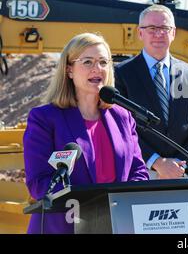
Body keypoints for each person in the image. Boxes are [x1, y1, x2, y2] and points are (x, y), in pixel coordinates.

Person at [23, 33, 150, 234]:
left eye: (103, 62)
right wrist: (89, 206)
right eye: (88, 61)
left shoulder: (123, 116)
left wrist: (121, 203)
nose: (97, 68)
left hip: (115, 225)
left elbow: (138, 172)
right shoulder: (44, 118)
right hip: (62, 227)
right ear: (69, 70)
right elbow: (39, 183)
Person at [115, 4, 188, 179]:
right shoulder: (121, 74)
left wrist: (180, 164)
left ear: (173, 33)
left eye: (164, 28)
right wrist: (157, 163)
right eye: (152, 28)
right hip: (141, 172)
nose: (158, 33)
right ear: (140, 33)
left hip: (185, 173)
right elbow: (120, 128)